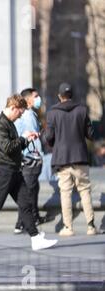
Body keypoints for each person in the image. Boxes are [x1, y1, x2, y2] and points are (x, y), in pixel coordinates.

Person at [0, 94, 57, 252]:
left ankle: (35, 239)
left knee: (25, 204)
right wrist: (23, 138)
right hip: (4, 171)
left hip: (14, 170)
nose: (20, 116)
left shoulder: (9, 123)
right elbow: (7, 147)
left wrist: (27, 140)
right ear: (13, 108)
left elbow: (14, 148)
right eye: (20, 113)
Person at [42, 83, 97, 236]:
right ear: (72, 95)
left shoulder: (52, 112)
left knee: (65, 193)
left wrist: (53, 143)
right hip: (80, 157)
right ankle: (91, 226)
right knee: (85, 191)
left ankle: (68, 227)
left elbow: (49, 137)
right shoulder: (82, 110)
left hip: (62, 158)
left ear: (60, 96)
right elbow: (91, 135)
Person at [13, 88, 47, 234]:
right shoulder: (28, 116)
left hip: (25, 159)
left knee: (33, 188)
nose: (38, 98)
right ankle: (21, 223)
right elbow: (33, 139)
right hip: (30, 159)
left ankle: (34, 216)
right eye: (36, 96)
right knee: (29, 190)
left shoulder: (26, 115)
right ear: (28, 100)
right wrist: (39, 156)